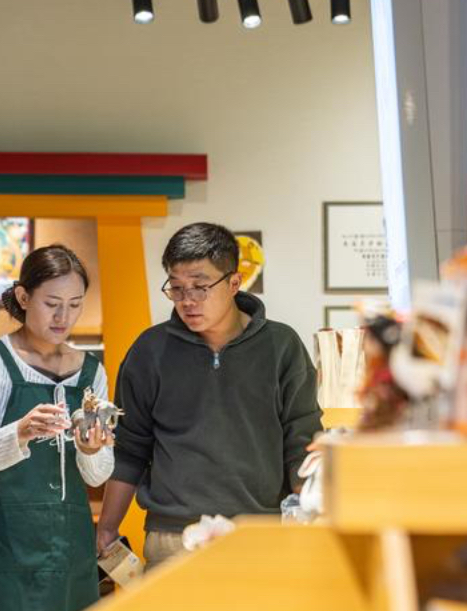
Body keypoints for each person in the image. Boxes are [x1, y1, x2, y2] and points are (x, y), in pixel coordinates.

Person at [95, 222, 323, 568]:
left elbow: (301, 440)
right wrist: (107, 527)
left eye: (200, 287)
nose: (187, 301)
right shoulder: (150, 350)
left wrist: (311, 519)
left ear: (234, 283)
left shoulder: (281, 346)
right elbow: (130, 448)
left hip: (260, 533)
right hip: (173, 537)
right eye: (176, 288)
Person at [0, 245, 115, 611]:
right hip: (3, 551)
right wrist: (19, 433)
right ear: (24, 298)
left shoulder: (92, 371)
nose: (63, 317)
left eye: (75, 305)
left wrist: (90, 450)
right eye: (51, 303)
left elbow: (97, 475)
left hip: (71, 551)